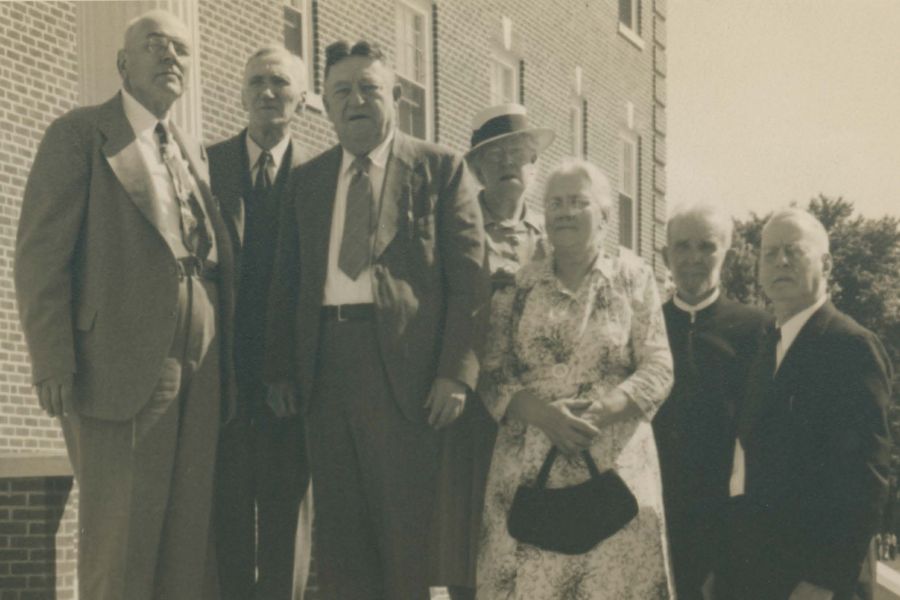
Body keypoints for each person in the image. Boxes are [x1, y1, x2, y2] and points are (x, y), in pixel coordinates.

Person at [14, 10, 235, 600]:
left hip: (201, 367)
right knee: (123, 545)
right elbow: (40, 256)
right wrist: (52, 358)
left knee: (187, 543)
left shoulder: (189, 150)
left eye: (182, 50)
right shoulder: (81, 134)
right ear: (122, 63)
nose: (172, 57)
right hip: (121, 367)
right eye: (156, 46)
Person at [264, 39, 489, 600]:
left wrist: (456, 373)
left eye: (370, 88)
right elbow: (286, 284)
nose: (356, 100)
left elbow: (472, 284)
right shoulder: (308, 182)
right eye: (342, 90)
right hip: (326, 371)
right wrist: (280, 371)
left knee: (406, 539)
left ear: (396, 98)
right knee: (340, 544)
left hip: (405, 376)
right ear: (326, 103)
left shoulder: (440, 170)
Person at [477, 158, 674, 599]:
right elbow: (492, 373)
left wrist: (604, 410)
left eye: (577, 202)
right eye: (554, 203)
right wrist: (545, 416)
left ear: (604, 214)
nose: (563, 212)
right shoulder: (517, 286)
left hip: (612, 467)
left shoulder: (634, 278)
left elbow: (659, 366)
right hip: (529, 464)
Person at [712, 209, 892, 600]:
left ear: (826, 264)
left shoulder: (850, 347)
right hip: (758, 572)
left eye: (793, 251)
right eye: (770, 253)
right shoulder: (765, 347)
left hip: (817, 582)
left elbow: (867, 476)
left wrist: (826, 578)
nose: (780, 262)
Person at [430, 103, 554, 600]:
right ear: (477, 169)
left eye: (519, 154)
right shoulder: (455, 226)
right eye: (495, 155)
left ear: (533, 166)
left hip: (534, 410)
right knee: (471, 540)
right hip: (475, 410)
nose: (509, 164)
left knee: (532, 537)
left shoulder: (550, 236)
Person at [208, 45, 312, 600]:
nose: (267, 92)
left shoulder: (320, 178)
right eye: (256, 82)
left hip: (288, 391)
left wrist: (290, 372)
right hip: (220, 382)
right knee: (224, 529)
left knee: (284, 530)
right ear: (242, 94)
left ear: (300, 97)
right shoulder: (206, 168)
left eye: (279, 82)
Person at [653, 204, 772, 600]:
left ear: (729, 253)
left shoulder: (757, 328)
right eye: (681, 246)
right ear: (665, 254)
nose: (692, 258)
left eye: (707, 247)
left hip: (725, 514)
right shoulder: (645, 323)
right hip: (652, 505)